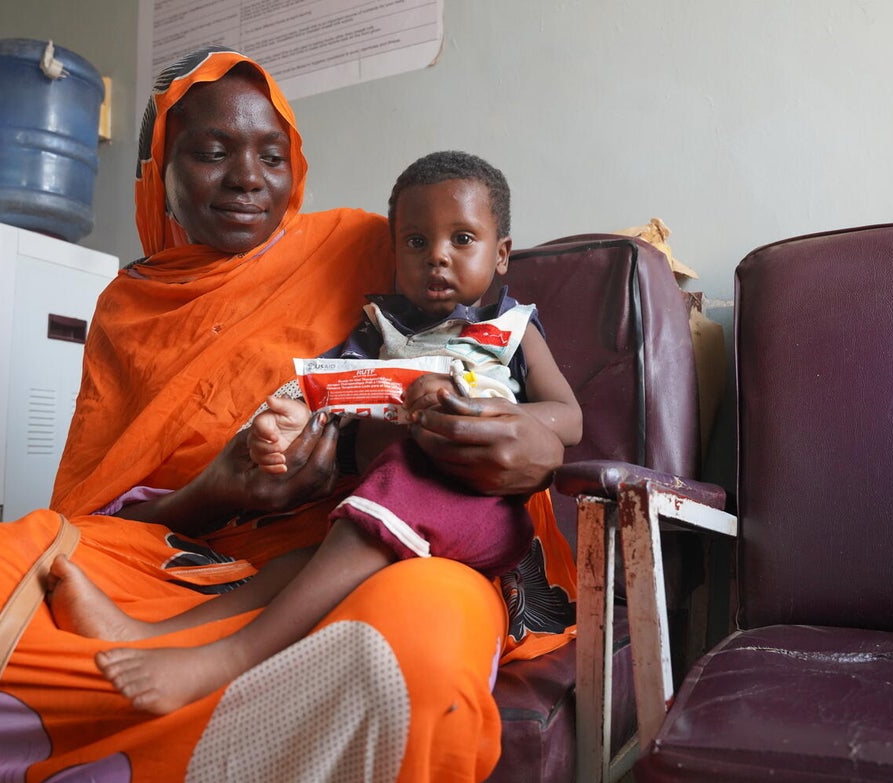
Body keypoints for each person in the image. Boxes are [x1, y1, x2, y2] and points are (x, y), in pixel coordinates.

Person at [0, 48, 578, 783]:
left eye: (272, 155)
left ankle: (138, 748)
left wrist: (533, 445)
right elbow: (90, 508)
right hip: (173, 562)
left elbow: (492, 371)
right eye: (211, 152)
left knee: (418, 643)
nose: (247, 178)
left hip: (368, 558)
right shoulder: (125, 307)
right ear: (157, 175)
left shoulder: (367, 249)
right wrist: (219, 489)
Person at [45, 150, 583, 716]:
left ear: (501, 256)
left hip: (481, 511)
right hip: (378, 511)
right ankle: (148, 635)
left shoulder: (511, 329)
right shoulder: (381, 328)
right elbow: (321, 396)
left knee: (384, 499)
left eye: (463, 240)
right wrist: (280, 428)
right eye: (417, 243)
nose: (438, 259)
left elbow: (569, 417)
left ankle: (228, 660)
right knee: (301, 563)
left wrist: (506, 420)